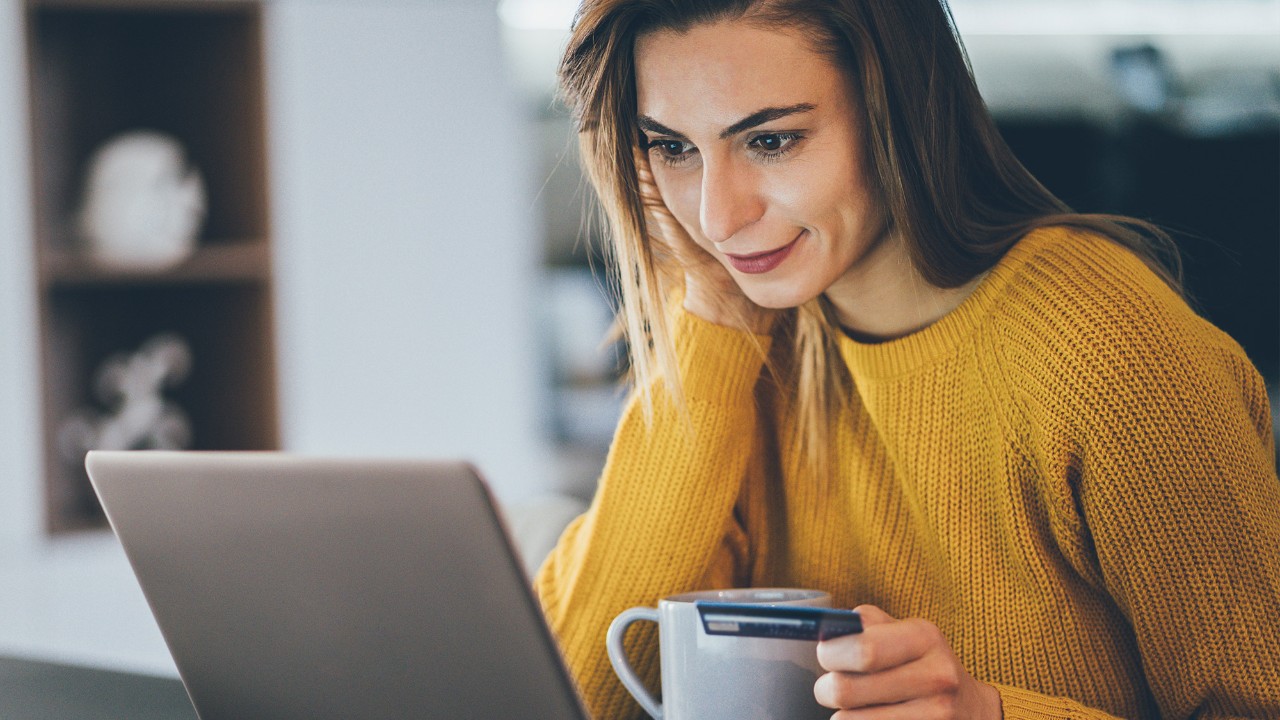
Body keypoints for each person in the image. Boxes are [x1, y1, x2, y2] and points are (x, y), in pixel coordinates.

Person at [533, 1, 1280, 718]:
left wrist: (990, 715)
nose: (715, 217)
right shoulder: (745, 347)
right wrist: (713, 315)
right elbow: (572, 693)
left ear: (898, 111)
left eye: (770, 141)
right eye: (673, 149)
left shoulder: (1107, 348)